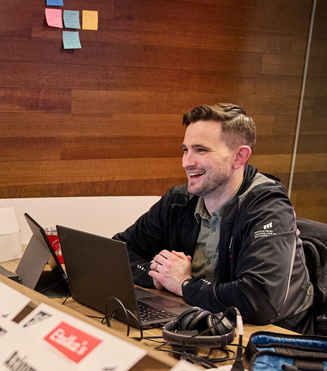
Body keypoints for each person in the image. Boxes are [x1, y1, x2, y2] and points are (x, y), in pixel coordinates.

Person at [114, 103, 313, 332]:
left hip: (270, 341)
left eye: (201, 150)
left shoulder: (268, 207)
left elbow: (260, 299)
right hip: (203, 322)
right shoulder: (178, 200)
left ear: (239, 156)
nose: (186, 162)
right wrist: (157, 276)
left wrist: (183, 285)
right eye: (185, 149)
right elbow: (119, 251)